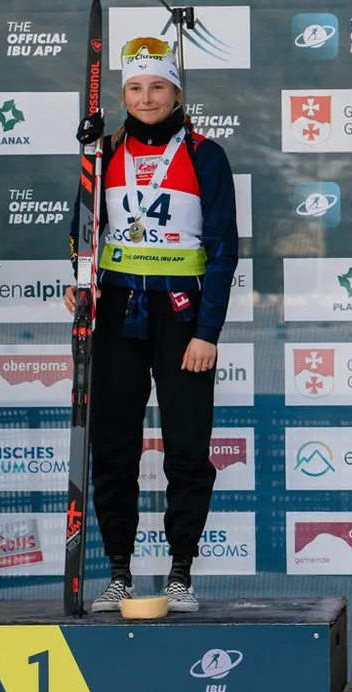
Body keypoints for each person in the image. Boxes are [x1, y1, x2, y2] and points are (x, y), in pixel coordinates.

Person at [65, 35, 238, 615]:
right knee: (114, 446)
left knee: (187, 448)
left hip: (181, 314)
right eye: (135, 88)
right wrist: (80, 281)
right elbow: (83, 229)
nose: (146, 98)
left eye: (157, 87)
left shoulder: (205, 154)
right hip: (117, 309)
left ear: (176, 93)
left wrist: (207, 332)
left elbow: (223, 250)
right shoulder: (103, 151)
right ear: (123, 95)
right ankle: (119, 571)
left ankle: (180, 573)